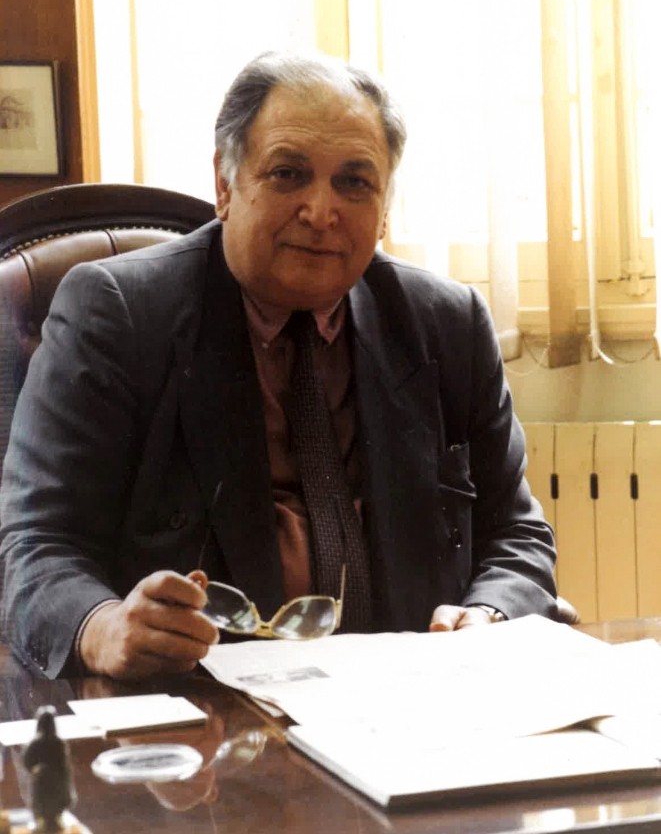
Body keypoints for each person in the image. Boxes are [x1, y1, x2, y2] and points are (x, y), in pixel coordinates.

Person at [0, 52, 557, 681]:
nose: (321, 212)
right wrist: (103, 627)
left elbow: (516, 532)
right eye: (288, 174)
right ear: (225, 185)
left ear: (385, 208)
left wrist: (490, 614)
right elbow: (34, 547)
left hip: (408, 696)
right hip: (201, 704)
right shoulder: (119, 315)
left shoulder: (447, 323)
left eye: (354, 183)